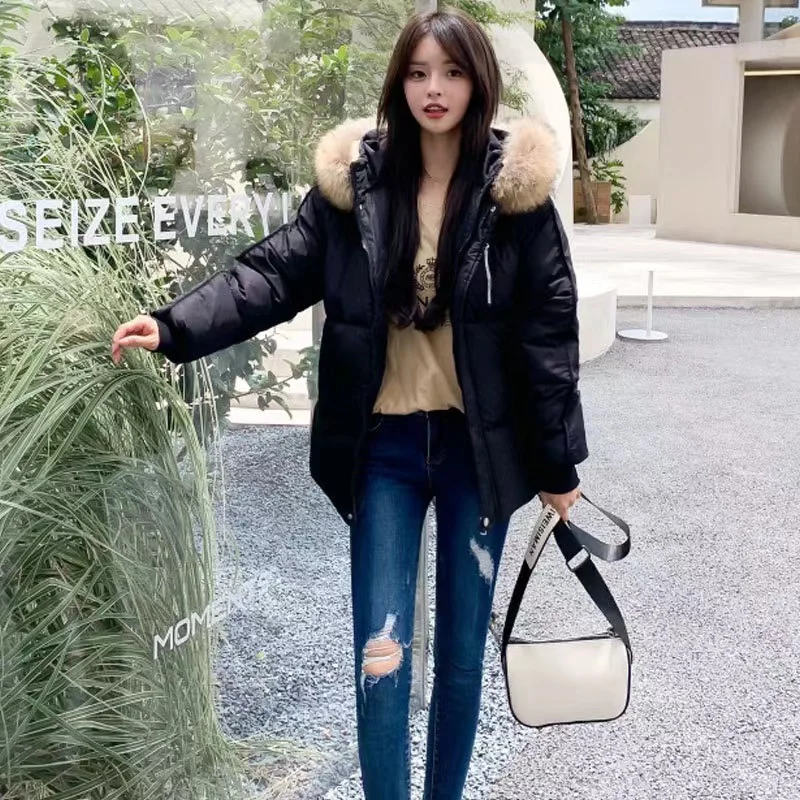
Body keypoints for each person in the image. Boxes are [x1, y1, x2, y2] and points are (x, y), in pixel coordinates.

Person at [111, 9, 588, 799]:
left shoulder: (515, 196)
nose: (434, 89)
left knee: (462, 659)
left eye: (453, 72)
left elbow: (548, 336)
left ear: (478, 82)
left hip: (477, 454)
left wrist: (557, 464)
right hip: (384, 453)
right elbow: (271, 274)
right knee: (381, 655)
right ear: (399, 82)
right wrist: (174, 326)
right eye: (418, 72)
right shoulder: (356, 187)